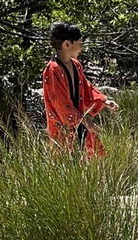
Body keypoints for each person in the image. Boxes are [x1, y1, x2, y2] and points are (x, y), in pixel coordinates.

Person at [42, 21, 118, 157]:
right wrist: (85, 120)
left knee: (93, 160)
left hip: (80, 122)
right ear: (67, 44)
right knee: (67, 165)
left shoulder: (76, 65)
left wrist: (104, 101)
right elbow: (61, 104)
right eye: (80, 42)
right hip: (63, 127)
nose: (81, 47)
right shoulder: (53, 70)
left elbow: (86, 86)